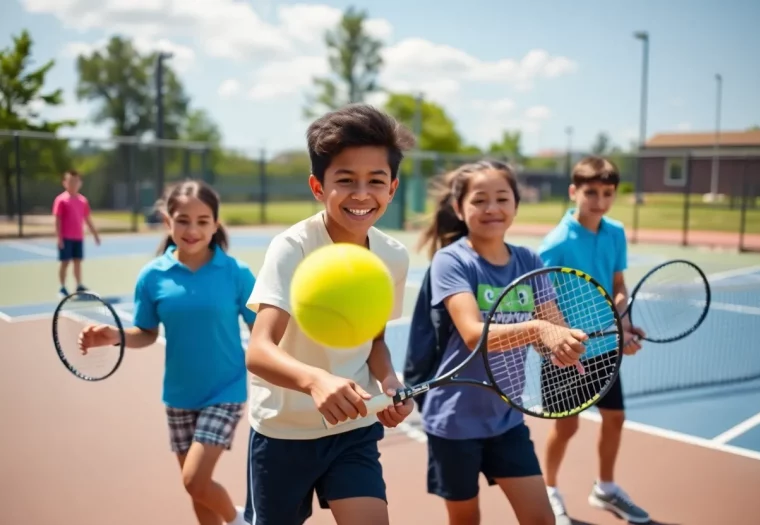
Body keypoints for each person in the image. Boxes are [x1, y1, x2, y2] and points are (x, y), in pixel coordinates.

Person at [243, 104, 416, 525]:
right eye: (345, 180)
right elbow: (259, 352)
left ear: (391, 189)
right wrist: (315, 380)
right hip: (284, 432)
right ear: (318, 187)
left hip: (352, 430)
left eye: (375, 181)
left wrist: (389, 381)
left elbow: (374, 340)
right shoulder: (294, 247)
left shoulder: (392, 256)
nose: (361, 194)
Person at [405, 160, 587, 525]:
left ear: (516, 205)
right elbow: (473, 333)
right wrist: (538, 331)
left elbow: (551, 333)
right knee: (466, 520)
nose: (492, 208)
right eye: (479, 200)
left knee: (541, 519)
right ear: (459, 209)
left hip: (506, 418)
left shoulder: (528, 260)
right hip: (454, 421)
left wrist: (567, 345)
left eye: (502, 198)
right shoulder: (452, 261)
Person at [78, 180, 254, 525]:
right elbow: (145, 333)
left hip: (226, 391)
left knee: (194, 479)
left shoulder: (236, 273)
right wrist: (113, 335)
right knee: (197, 492)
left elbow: (262, 328)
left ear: (215, 224)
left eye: (203, 221)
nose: (192, 229)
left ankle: (243, 521)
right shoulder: (152, 276)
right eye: (183, 220)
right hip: (178, 396)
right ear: (167, 220)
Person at [538, 156, 650, 525]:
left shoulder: (615, 232)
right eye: (591, 192)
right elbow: (542, 303)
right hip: (566, 354)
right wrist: (563, 342)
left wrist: (625, 325)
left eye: (607, 193)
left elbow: (618, 286)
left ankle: (606, 488)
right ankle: (549, 490)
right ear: (574, 192)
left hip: (606, 349)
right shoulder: (555, 244)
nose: (599, 200)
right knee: (566, 426)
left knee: (615, 418)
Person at [53, 169, 100, 298]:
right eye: (70, 181)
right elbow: (57, 220)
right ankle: (62, 287)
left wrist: (95, 234)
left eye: (76, 181)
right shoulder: (61, 200)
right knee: (65, 262)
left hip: (78, 237)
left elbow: (88, 219)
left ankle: (79, 285)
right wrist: (59, 238)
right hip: (66, 237)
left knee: (78, 262)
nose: (73, 184)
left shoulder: (83, 200)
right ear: (65, 183)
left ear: (80, 183)